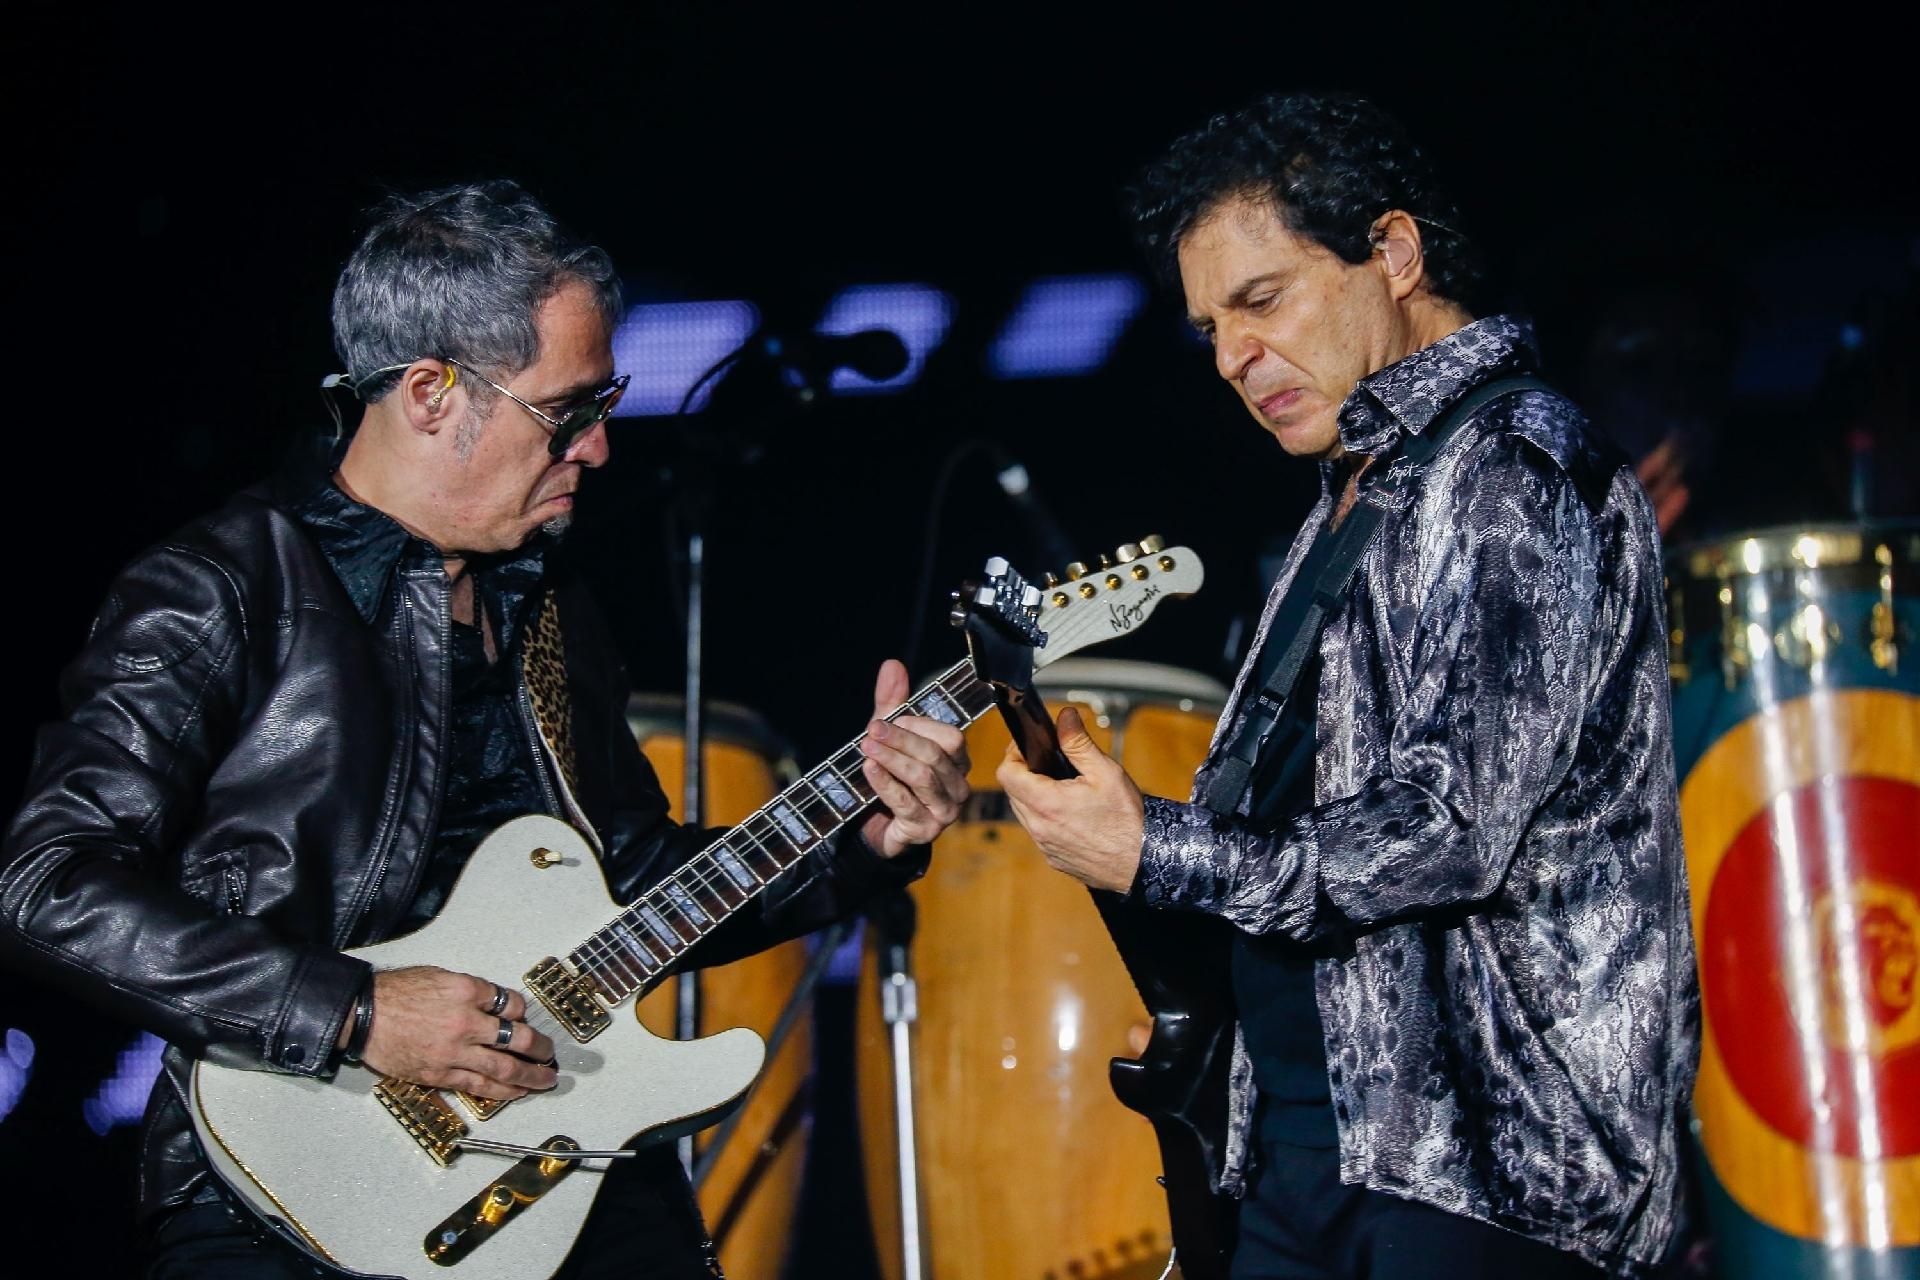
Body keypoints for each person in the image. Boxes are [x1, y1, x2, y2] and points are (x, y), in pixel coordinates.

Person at [0, 180, 970, 1278]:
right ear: (429, 393)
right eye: (569, 410)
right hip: (281, 1178)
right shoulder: (221, 589)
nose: (599, 449)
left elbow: (634, 877)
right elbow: (46, 881)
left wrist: (863, 833)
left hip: (552, 1142)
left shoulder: (546, 602)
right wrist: (357, 1011)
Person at [999, 94, 1698, 1278]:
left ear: (1394, 253)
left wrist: (1160, 849)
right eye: (1210, 326)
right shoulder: (1359, 491)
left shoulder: (1514, 465)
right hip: (1311, 1158)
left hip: (1485, 1179)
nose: (1230, 357)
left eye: (1262, 301)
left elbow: (1447, 827)